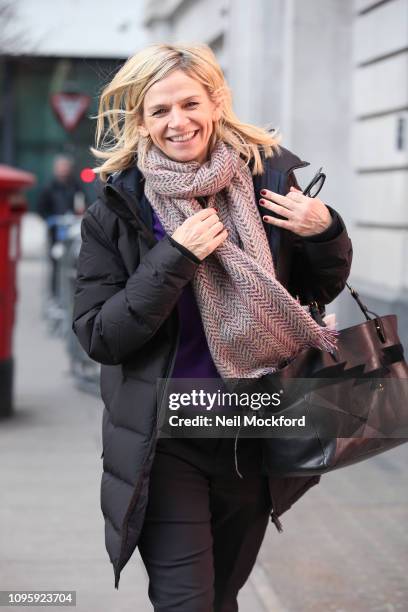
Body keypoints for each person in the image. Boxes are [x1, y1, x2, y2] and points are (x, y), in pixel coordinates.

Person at [72, 43, 353, 610]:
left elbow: (313, 293)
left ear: (216, 102)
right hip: (166, 441)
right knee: (187, 602)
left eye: (189, 103)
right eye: (159, 111)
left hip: (253, 428)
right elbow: (101, 335)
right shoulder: (117, 207)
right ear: (141, 122)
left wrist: (326, 231)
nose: (178, 122)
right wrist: (174, 257)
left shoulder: (267, 180)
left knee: (220, 596)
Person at [37, 154, 86, 297]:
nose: (63, 170)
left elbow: (83, 203)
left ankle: (70, 295)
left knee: (72, 264)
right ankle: (55, 295)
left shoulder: (75, 185)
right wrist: (50, 220)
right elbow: (41, 208)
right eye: (61, 167)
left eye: (66, 167)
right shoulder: (48, 187)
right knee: (55, 265)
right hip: (55, 232)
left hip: (72, 232)